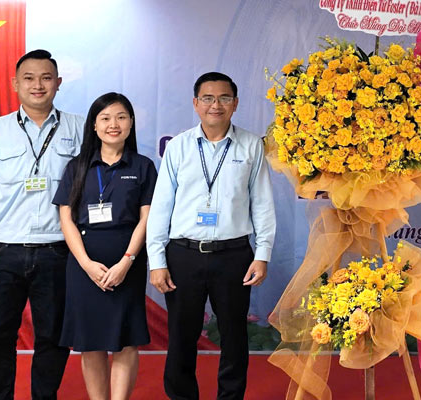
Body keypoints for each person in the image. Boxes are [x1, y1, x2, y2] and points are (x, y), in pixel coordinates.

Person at [146, 72, 276, 400]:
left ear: (235, 104)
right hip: (183, 255)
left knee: (234, 336)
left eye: (223, 98)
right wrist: (157, 261)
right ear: (196, 103)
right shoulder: (178, 147)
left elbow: (262, 203)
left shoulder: (251, 145)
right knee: (181, 337)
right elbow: (161, 207)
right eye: (207, 98)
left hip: (233, 255)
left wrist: (262, 254)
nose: (215, 105)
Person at [0, 49, 83, 400]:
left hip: (58, 250)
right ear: (15, 83)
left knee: (53, 337)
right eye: (29, 78)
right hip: (4, 250)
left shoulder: (80, 128)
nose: (38, 85)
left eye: (46, 78)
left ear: (58, 83)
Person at [52, 92, 157, 400]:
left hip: (128, 262)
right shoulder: (77, 167)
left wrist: (127, 261)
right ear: (94, 125)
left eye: (121, 117)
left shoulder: (143, 166)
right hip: (84, 265)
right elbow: (66, 219)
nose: (114, 124)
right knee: (91, 341)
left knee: (126, 341)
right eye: (106, 118)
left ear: (131, 123)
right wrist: (86, 264)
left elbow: (147, 218)